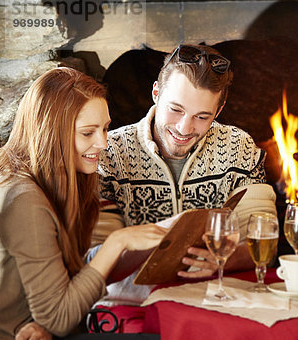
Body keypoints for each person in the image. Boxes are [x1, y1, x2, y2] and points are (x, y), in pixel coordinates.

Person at [93, 44, 277, 304]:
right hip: (129, 307)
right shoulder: (107, 153)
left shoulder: (240, 147)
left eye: (202, 117)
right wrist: (169, 233)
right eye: (175, 109)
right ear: (156, 93)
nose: (184, 128)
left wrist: (224, 259)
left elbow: (262, 245)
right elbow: (96, 264)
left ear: (219, 110)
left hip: (212, 304)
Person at [0, 67, 166, 339]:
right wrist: (117, 242)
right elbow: (59, 318)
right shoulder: (24, 199)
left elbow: (64, 285)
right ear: (51, 131)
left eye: (106, 128)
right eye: (88, 133)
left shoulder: (65, 175)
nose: (103, 142)